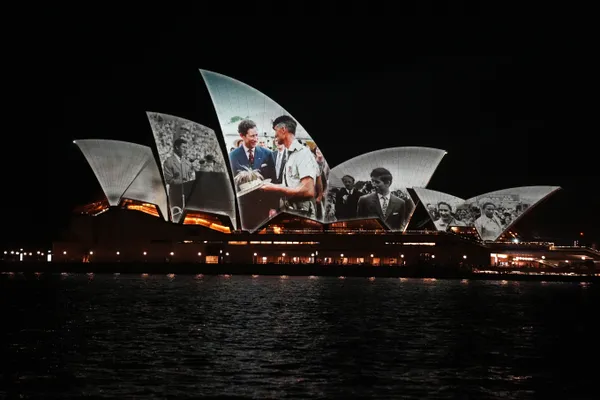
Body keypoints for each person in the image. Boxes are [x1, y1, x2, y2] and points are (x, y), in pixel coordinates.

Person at [260, 115, 319, 218]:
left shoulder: (302, 153)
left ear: (283, 130)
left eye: (275, 131)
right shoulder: (289, 153)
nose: (274, 135)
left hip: (301, 213)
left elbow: (308, 191)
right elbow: (291, 185)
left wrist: (274, 188)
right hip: (291, 210)